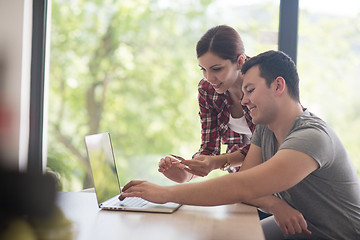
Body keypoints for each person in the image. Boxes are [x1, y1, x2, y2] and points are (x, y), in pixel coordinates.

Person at [120, 50, 360, 239]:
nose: (243, 101)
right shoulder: (265, 129)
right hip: (302, 229)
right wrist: (275, 204)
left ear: (278, 86)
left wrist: (164, 194)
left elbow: (242, 186)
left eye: (250, 90)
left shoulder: (311, 136)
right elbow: (248, 188)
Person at [158, 25, 255, 184]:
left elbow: (264, 147)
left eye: (216, 69)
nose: (209, 77)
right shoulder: (208, 90)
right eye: (203, 69)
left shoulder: (263, 84)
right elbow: (210, 149)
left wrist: (218, 162)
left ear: (240, 62)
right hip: (244, 181)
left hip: (280, 176)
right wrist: (187, 171)